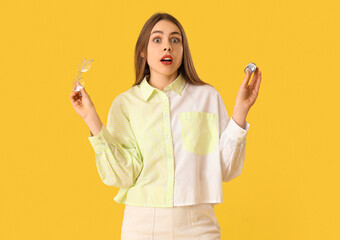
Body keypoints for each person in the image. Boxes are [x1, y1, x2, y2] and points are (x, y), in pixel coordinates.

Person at [70, 12, 261, 240]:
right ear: (143, 50)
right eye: (157, 39)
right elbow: (123, 176)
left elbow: (224, 169)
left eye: (175, 40)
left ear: (183, 49)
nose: (167, 47)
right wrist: (90, 117)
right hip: (142, 226)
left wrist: (240, 111)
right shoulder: (126, 103)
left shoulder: (207, 97)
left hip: (198, 224)